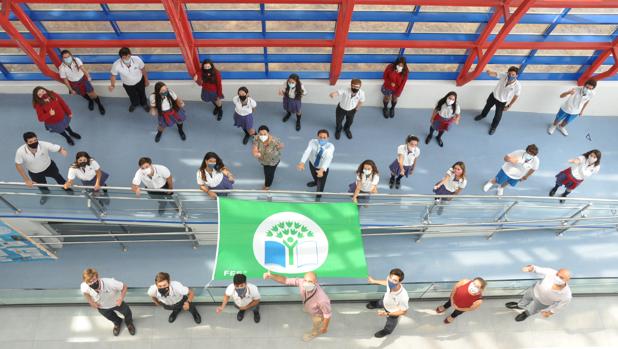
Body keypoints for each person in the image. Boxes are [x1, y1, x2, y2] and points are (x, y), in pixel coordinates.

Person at [263, 271, 331, 342]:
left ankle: (314, 333)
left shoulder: (322, 299)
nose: (307, 283)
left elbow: (327, 315)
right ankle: (308, 309)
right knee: (308, 308)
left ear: (315, 282)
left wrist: (325, 327)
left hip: (317, 315)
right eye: (305, 280)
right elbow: (285, 280)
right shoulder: (301, 282)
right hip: (308, 305)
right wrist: (271, 276)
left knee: (317, 325)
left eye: (310, 281)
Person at [15, 132, 69, 205]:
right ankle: (45, 194)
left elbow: (58, 148)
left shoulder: (43, 144)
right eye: (30, 141)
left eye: (35, 140)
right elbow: (18, 165)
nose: (34, 142)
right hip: (34, 172)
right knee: (41, 186)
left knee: (58, 177)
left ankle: (66, 188)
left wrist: (62, 150)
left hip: (49, 167)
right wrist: (27, 180)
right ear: (26, 142)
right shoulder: (20, 151)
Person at [505, 265, 572, 322]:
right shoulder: (551, 272)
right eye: (557, 274)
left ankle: (526, 314)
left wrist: (550, 312)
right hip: (533, 290)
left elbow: (561, 306)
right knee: (525, 298)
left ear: (567, 280)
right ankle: (520, 305)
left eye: (561, 277)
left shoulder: (566, 295)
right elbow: (538, 269)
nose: (557, 277)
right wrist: (530, 268)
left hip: (542, 302)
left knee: (534, 309)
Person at [80, 268, 136, 336]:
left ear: (97, 277)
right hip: (102, 307)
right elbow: (85, 293)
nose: (92, 283)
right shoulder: (84, 286)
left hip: (117, 303)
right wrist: (91, 302)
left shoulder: (110, 282)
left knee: (127, 312)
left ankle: (129, 322)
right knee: (110, 317)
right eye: (89, 282)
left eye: (94, 280)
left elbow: (124, 287)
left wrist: (120, 299)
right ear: (86, 282)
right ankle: (117, 322)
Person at [474, 66, 522, 135]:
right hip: (493, 96)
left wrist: (509, 105)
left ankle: (493, 127)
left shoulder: (518, 85)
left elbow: (516, 96)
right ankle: (483, 115)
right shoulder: (504, 75)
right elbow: (494, 74)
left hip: (502, 102)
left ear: (516, 75)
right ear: (507, 73)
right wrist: (489, 72)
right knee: (487, 106)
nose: (510, 76)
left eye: (513, 75)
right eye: (509, 74)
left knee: (498, 115)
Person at [58, 49, 105, 115]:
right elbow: (65, 80)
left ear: (71, 56)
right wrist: (71, 90)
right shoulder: (61, 68)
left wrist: (88, 77)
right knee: (83, 94)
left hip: (83, 79)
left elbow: (83, 69)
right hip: (74, 84)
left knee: (92, 93)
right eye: (65, 57)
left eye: (68, 56)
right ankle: (90, 101)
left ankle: (100, 105)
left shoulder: (76, 60)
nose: (67, 58)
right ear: (62, 58)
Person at [366, 268, 409, 338]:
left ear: (399, 282)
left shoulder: (403, 296)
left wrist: (387, 313)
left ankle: (387, 331)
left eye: (395, 280)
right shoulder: (390, 280)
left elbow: (403, 312)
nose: (391, 281)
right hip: (386, 300)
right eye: (390, 278)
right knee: (381, 302)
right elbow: (386, 282)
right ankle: (376, 305)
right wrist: (374, 281)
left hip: (392, 311)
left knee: (391, 322)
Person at [297, 129, 335, 202]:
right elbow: (307, 151)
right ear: (317, 137)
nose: (322, 139)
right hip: (312, 163)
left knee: (321, 183)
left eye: (324, 137)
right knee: (314, 175)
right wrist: (302, 162)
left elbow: (328, 158)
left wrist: (322, 170)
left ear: (328, 138)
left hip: (322, 168)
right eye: (320, 137)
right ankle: (315, 182)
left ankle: (318, 196)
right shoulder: (312, 142)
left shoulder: (331, 147)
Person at [109, 47, 149, 113]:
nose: (127, 58)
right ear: (121, 57)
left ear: (130, 54)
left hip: (140, 81)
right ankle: (134, 104)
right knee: (132, 95)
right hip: (127, 84)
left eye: (128, 56)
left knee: (142, 93)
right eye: (124, 57)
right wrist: (112, 85)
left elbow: (143, 70)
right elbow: (113, 75)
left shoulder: (137, 59)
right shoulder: (116, 64)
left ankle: (144, 104)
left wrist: (146, 80)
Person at [252, 125, 283, 190]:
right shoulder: (257, 139)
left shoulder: (275, 140)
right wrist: (255, 153)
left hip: (273, 161)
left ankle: (267, 186)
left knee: (269, 174)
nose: (263, 136)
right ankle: (267, 184)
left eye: (264, 134)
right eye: (261, 134)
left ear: (268, 133)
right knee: (266, 171)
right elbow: (255, 148)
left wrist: (279, 146)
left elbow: (280, 146)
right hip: (263, 160)